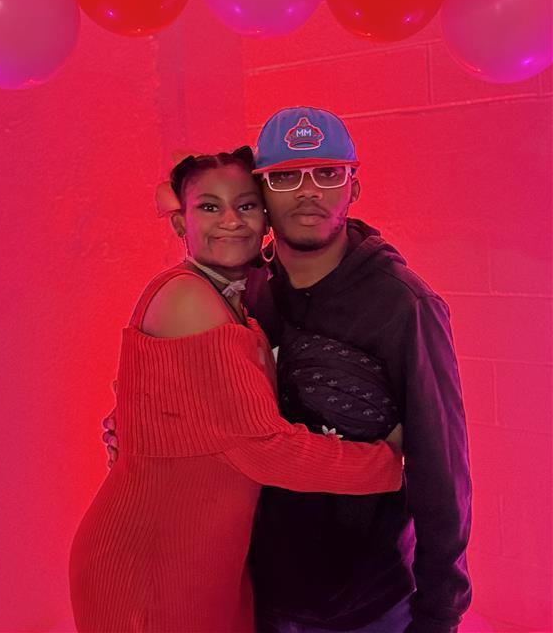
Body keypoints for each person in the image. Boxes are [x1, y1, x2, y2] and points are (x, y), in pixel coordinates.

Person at [103, 109, 472, 633]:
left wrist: (441, 610)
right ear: (263, 195)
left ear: (354, 187)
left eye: (328, 173)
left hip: (363, 601)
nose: (307, 191)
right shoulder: (247, 291)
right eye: (285, 176)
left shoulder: (402, 304)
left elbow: (442, 467)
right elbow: (224, 414)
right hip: (255, 587)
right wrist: (139, 421)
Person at [71, 145, 403, 633]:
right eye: (209, 206)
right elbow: (263, 449)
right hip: (150, 561)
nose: (230, 220)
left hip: (202, 560)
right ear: (181, 224)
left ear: (265, 217)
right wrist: (389, 463)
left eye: (245, 205)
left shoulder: (234, 301)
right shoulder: (188, 299)